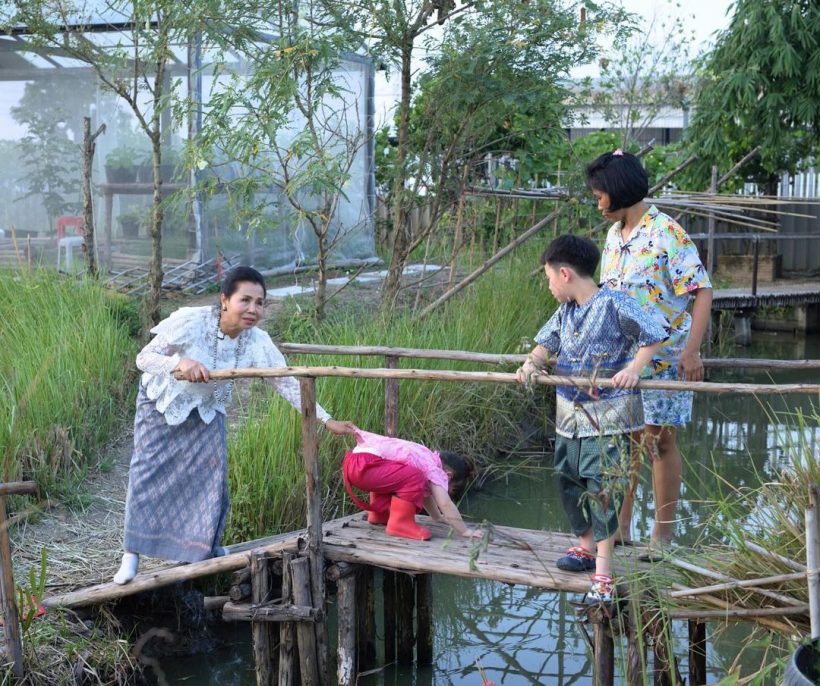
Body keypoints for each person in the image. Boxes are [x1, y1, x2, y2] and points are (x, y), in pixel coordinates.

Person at [113, 266, 356, 585]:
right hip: (164, 402)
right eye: (246, 300)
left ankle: (204, 549)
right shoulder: (192, 321)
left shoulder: (257, 341)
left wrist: (326, 419)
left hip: (208, 408)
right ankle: (132, 553)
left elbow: (285, 383)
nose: (253, 309)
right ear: (225, 299)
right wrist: (179, 363)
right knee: (148, 472)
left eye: (260, 303)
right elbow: (144, 359)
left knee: (213, 475)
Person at [516, 235, 665, 602]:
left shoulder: (614, 303)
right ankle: (584, 545)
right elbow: (545, 344)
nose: (548, 285)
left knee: (601, 488)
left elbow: (655, 333)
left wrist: (634, 368)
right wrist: (531, 363)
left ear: (564, 273)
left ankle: (604, 572)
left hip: (610, 415)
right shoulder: (565, 311)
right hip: (569, 415)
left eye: (549, 278)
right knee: (568, 477)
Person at [586, 149, 713, 548]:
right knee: (627, 439)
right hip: (623, 360)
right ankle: (621, 527)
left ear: (620, 190)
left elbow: (702, 290)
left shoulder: (667, 232)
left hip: (665, 357)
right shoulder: (613, 236)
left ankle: (662, 535)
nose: (598, 203)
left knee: (659, 441)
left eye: (600, 195)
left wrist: (691, 352)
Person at [342, 429, 482, 540]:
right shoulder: (434, 469)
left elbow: (426, 494)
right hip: (366, 467)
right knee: (415, 476)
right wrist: (464, 530)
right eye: (448, 487)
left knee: (404, 475)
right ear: (448, 475)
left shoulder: (424, 456)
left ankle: (380, 515)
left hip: (354, 464)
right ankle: (400, 524)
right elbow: (444, 503)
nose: (442, 489)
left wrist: (437, 517)